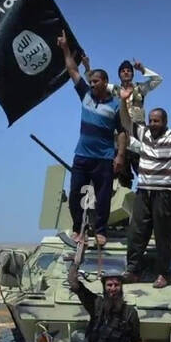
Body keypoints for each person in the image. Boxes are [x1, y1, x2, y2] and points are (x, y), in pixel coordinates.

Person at [119, 92, 171, 288]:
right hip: (144, 192)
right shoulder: (144, 134)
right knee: (137, 233)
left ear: (164, 122)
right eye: (151, 121)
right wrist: (122, 100)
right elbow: (126, 122)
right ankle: (133, 271)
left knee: (163, 235)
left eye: (156, 121)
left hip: (165, 194)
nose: (153, 124)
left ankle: (163, 273)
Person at [57, 31, 126, 247]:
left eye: (96, 81)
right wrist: (65, 49)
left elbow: (122, 131)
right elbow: (72, 70)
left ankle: (100, 231)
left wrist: (120, 156)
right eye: (92, 81)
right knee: (76, 193)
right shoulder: (85, 95)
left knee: (103, 197)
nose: (92, 83)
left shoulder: (115, 105)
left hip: (104, 158)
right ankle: (79, 230)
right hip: (82, 155)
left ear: (105, 82)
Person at [112, 58, 163, 188]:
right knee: (120, 176)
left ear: (132, 74)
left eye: (128, 70)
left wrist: (142, 69)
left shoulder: (140, 88)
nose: (126, 73)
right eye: (123, 71)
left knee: (147, 172)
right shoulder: (114, 90)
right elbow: (94, 83)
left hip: (138, 135)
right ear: (119, 74)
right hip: (120, 137)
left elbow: (157, 80)